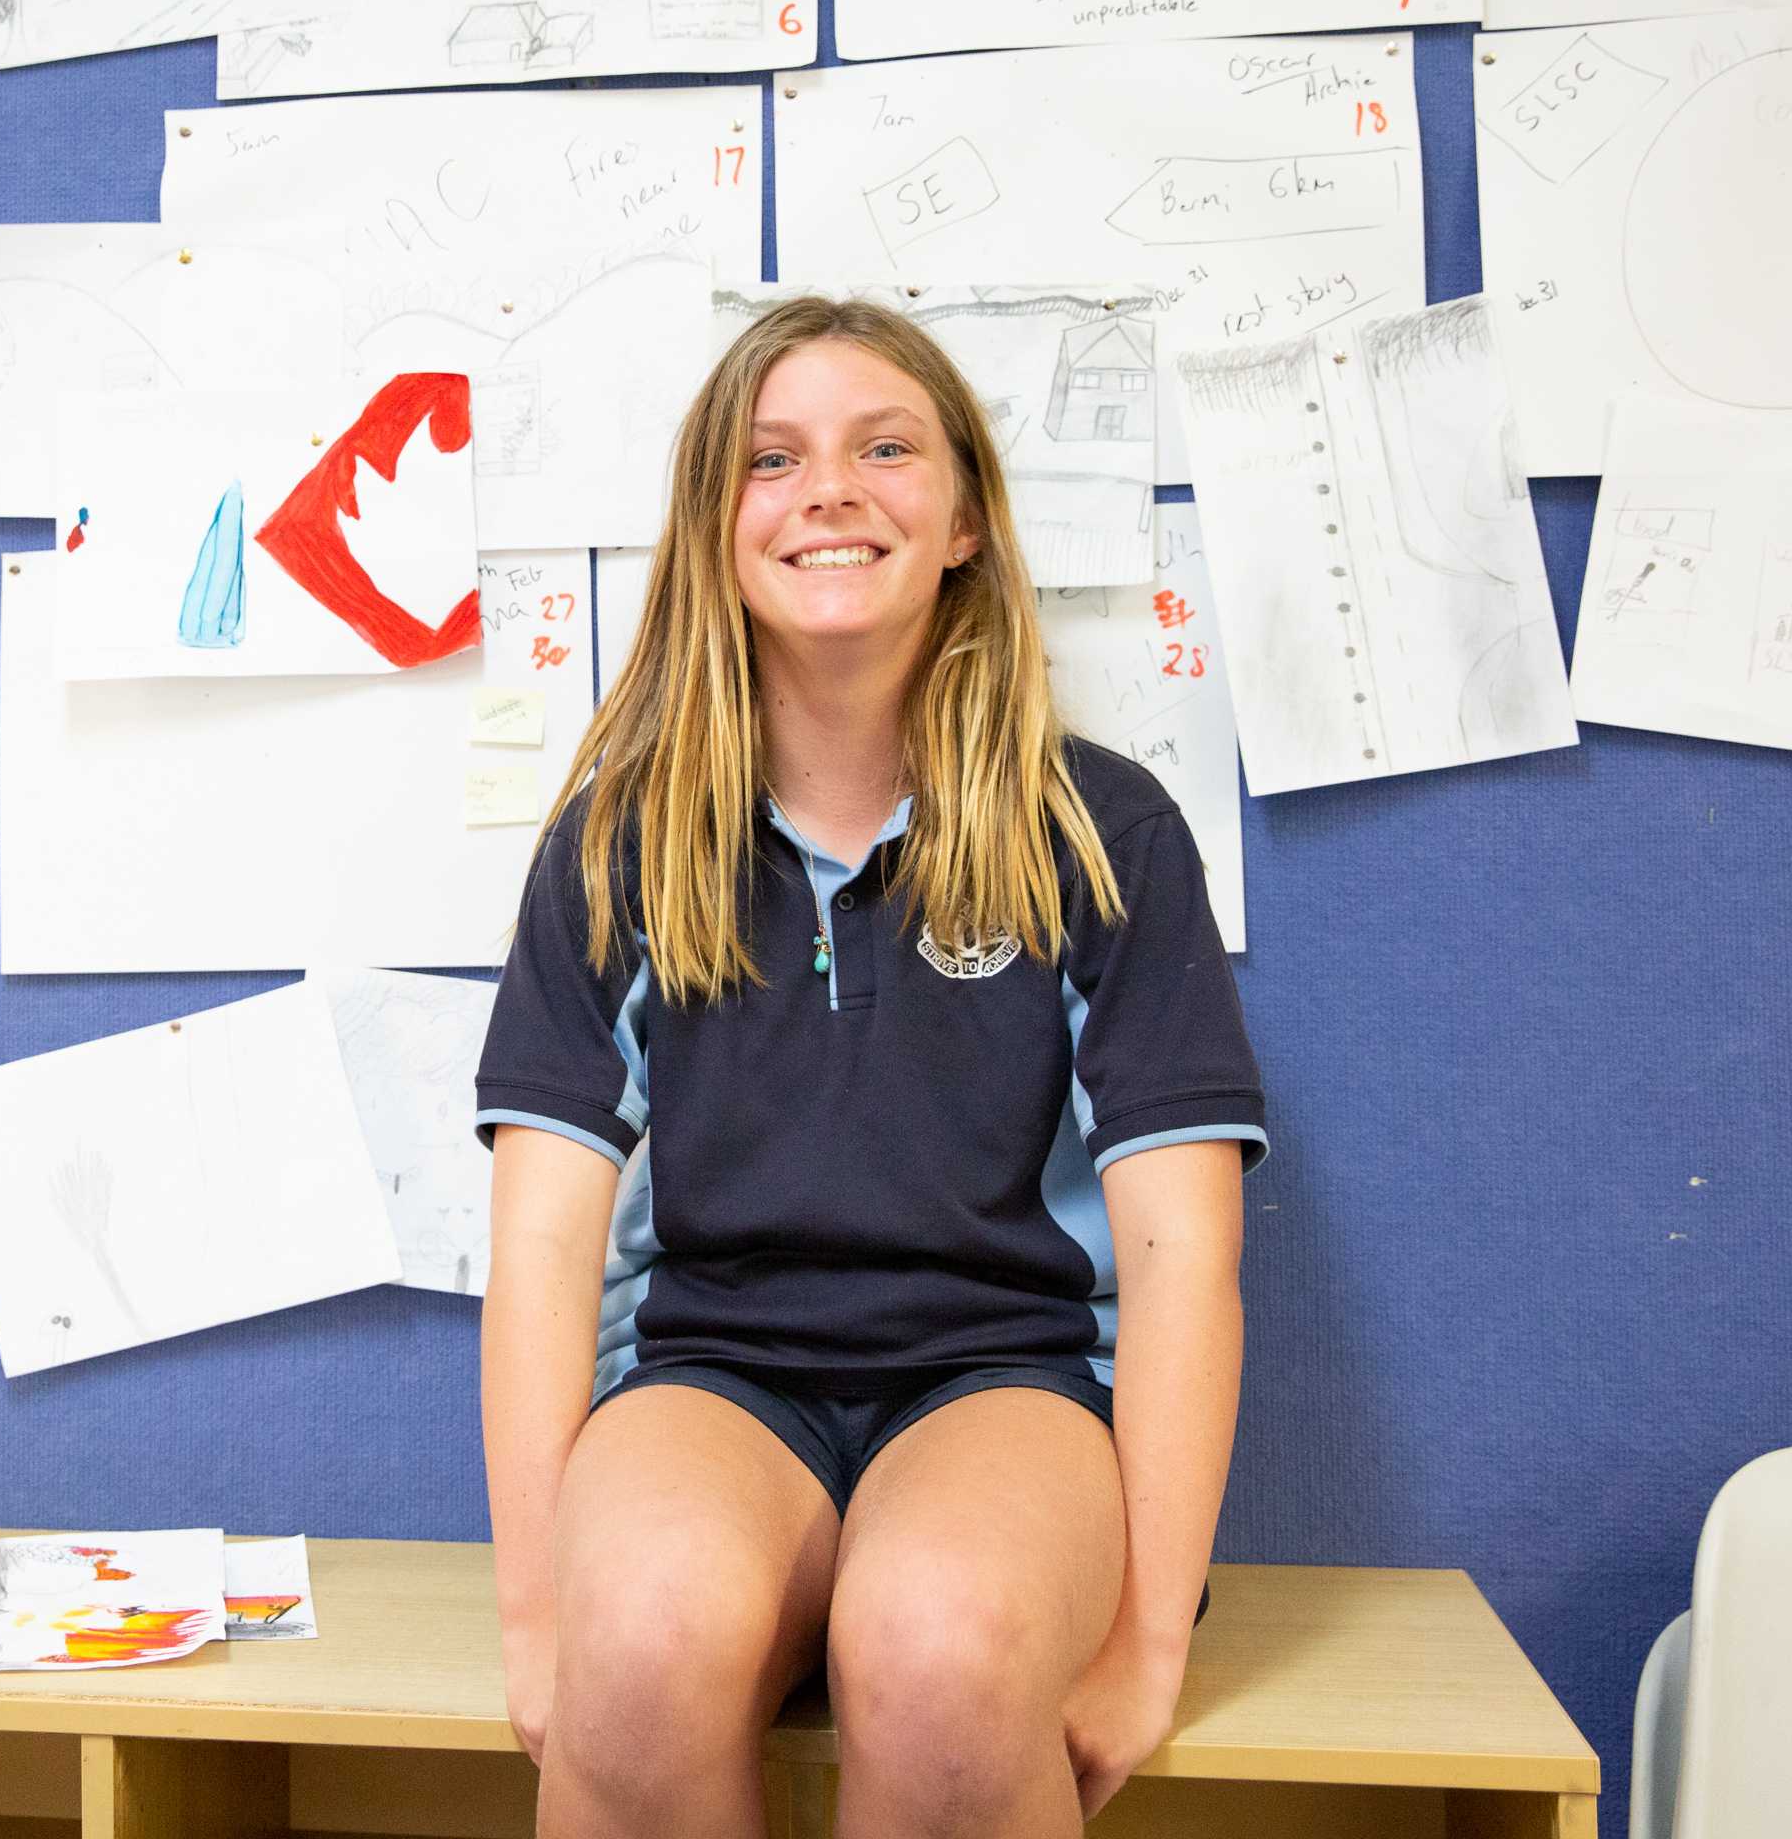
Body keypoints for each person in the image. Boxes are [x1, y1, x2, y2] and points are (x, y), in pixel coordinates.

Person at [473, 295, 1266, 1837]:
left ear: (965, 519)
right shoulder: (619, 843)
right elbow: (543, 1245)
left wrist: (1150, 1640)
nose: (830, 487)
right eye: (773, 459)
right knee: (635, 1648)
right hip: (711, 1379)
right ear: (716, 529)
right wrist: (534, 1624)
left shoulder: (1106, 834)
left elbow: (1186, 1258)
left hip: (1008, 1384)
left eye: (885, 447)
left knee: (942, 1648)